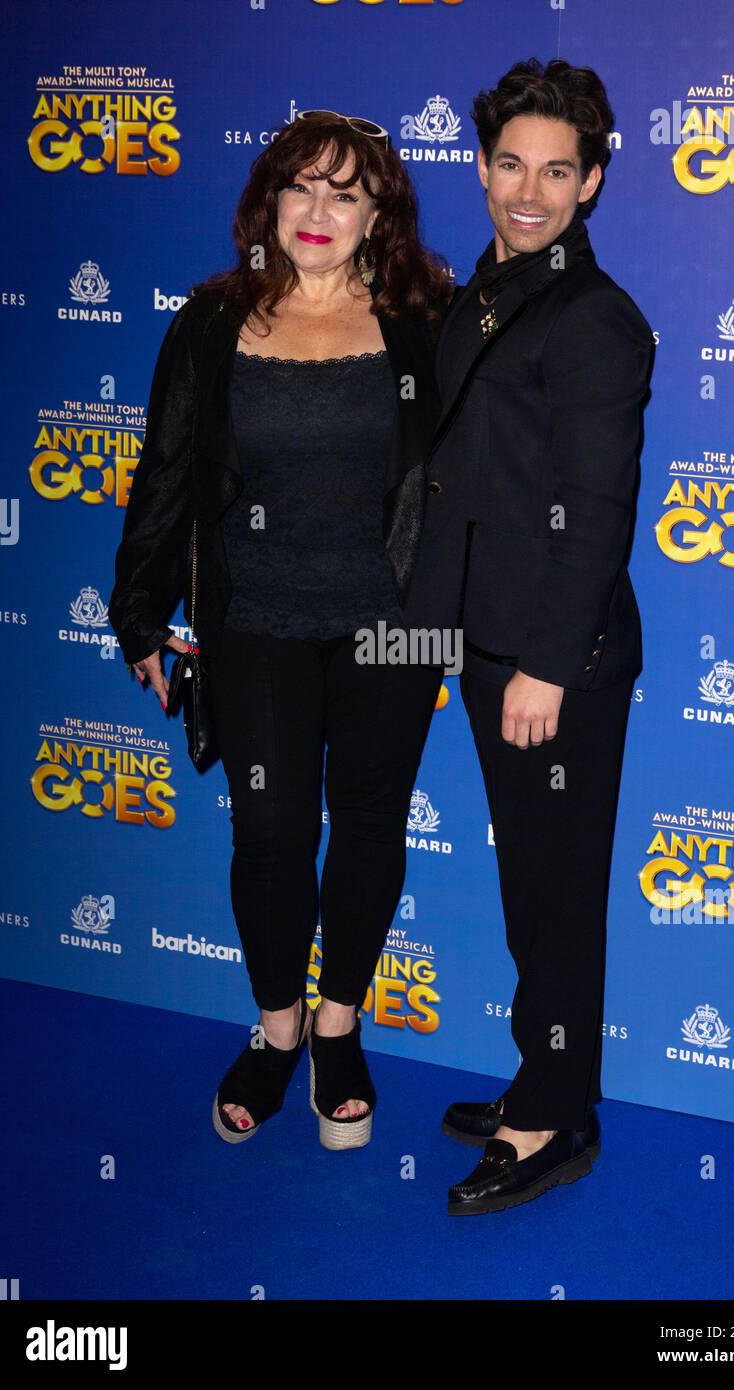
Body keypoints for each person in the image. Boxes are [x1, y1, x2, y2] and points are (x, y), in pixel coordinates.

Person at [108, 110, 450, 1151]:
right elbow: (165, 470)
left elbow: (478, 476)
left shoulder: (424, 319)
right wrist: (138, 616)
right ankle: (276, 1031)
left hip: (392, 630)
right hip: (252, 621)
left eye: (345, 193)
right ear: (268, 199)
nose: (318, 211)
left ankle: (339, 1026)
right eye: (301, 186)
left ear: (377, 213)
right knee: (268, 834)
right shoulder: (210, 319)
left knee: (369, 822)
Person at [402, 59, 655, 1213]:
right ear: (482, 163)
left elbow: (598, 509)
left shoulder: (592, 319)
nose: (528, 190)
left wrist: (545, 662)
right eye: (510, 163)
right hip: (488, 639)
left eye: (558, 170)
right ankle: (541, 1076)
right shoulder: (490, 288)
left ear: (593, 181)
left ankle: (553, 1119)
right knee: (529, 884)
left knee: (555, 890)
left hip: (556, 657)